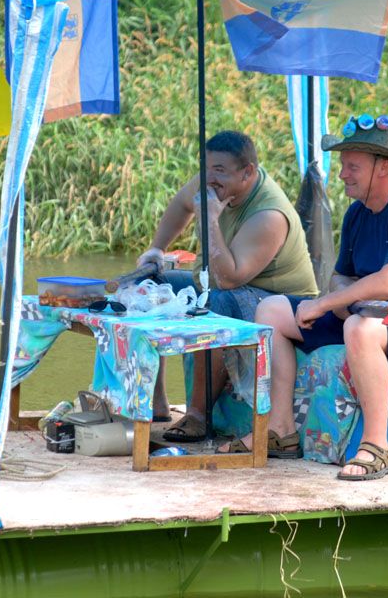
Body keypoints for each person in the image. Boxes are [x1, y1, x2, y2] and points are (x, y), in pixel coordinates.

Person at [224, 113, 388, 480]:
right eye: (341, 165)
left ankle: (377, 447)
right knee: (271, 309)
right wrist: (339, 298)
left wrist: (326, 303)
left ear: (383, 166)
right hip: (369, 314)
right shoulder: (357, 213)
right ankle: (281, 430)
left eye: (352, 166)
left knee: (359, 327)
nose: (342, 175)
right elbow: (340, 274)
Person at [135, 130, 319, 441]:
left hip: (276, 299)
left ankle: (197, 414)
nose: (209, 178)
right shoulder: (212, 180)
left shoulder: (269, 214)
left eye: (219, 171)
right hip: (225, 283)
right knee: (150, 284)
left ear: (248, 172)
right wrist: (156, 249)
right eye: (206, 168)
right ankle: (156, 402)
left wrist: (210, 219)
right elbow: (182, 204)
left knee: (214, 303)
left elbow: (228, 278)